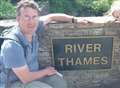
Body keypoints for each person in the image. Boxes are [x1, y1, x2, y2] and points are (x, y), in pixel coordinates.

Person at [0, 0, 90, 88]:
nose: (31, 21)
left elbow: (52, 17)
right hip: (14, 83)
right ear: (18, 19)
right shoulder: (12, 45)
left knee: (58, 81)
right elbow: (26, 78)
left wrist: (75, 20)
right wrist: (46, 71)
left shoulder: (35, 28)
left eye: (34, 16)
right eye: (26, 17)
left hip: (33, 76)